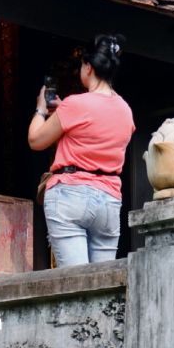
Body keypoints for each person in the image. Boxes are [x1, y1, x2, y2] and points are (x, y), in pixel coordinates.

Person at [29, 34, 135, 267]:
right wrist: (64, 111)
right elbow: (95, 129)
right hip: (109, 198)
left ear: (88, 67)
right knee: (100, 283)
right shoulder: (126, 111)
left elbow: (36, 140)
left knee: (75, 282)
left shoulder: (75, 105)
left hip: (70, 195)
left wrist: (40, 110)